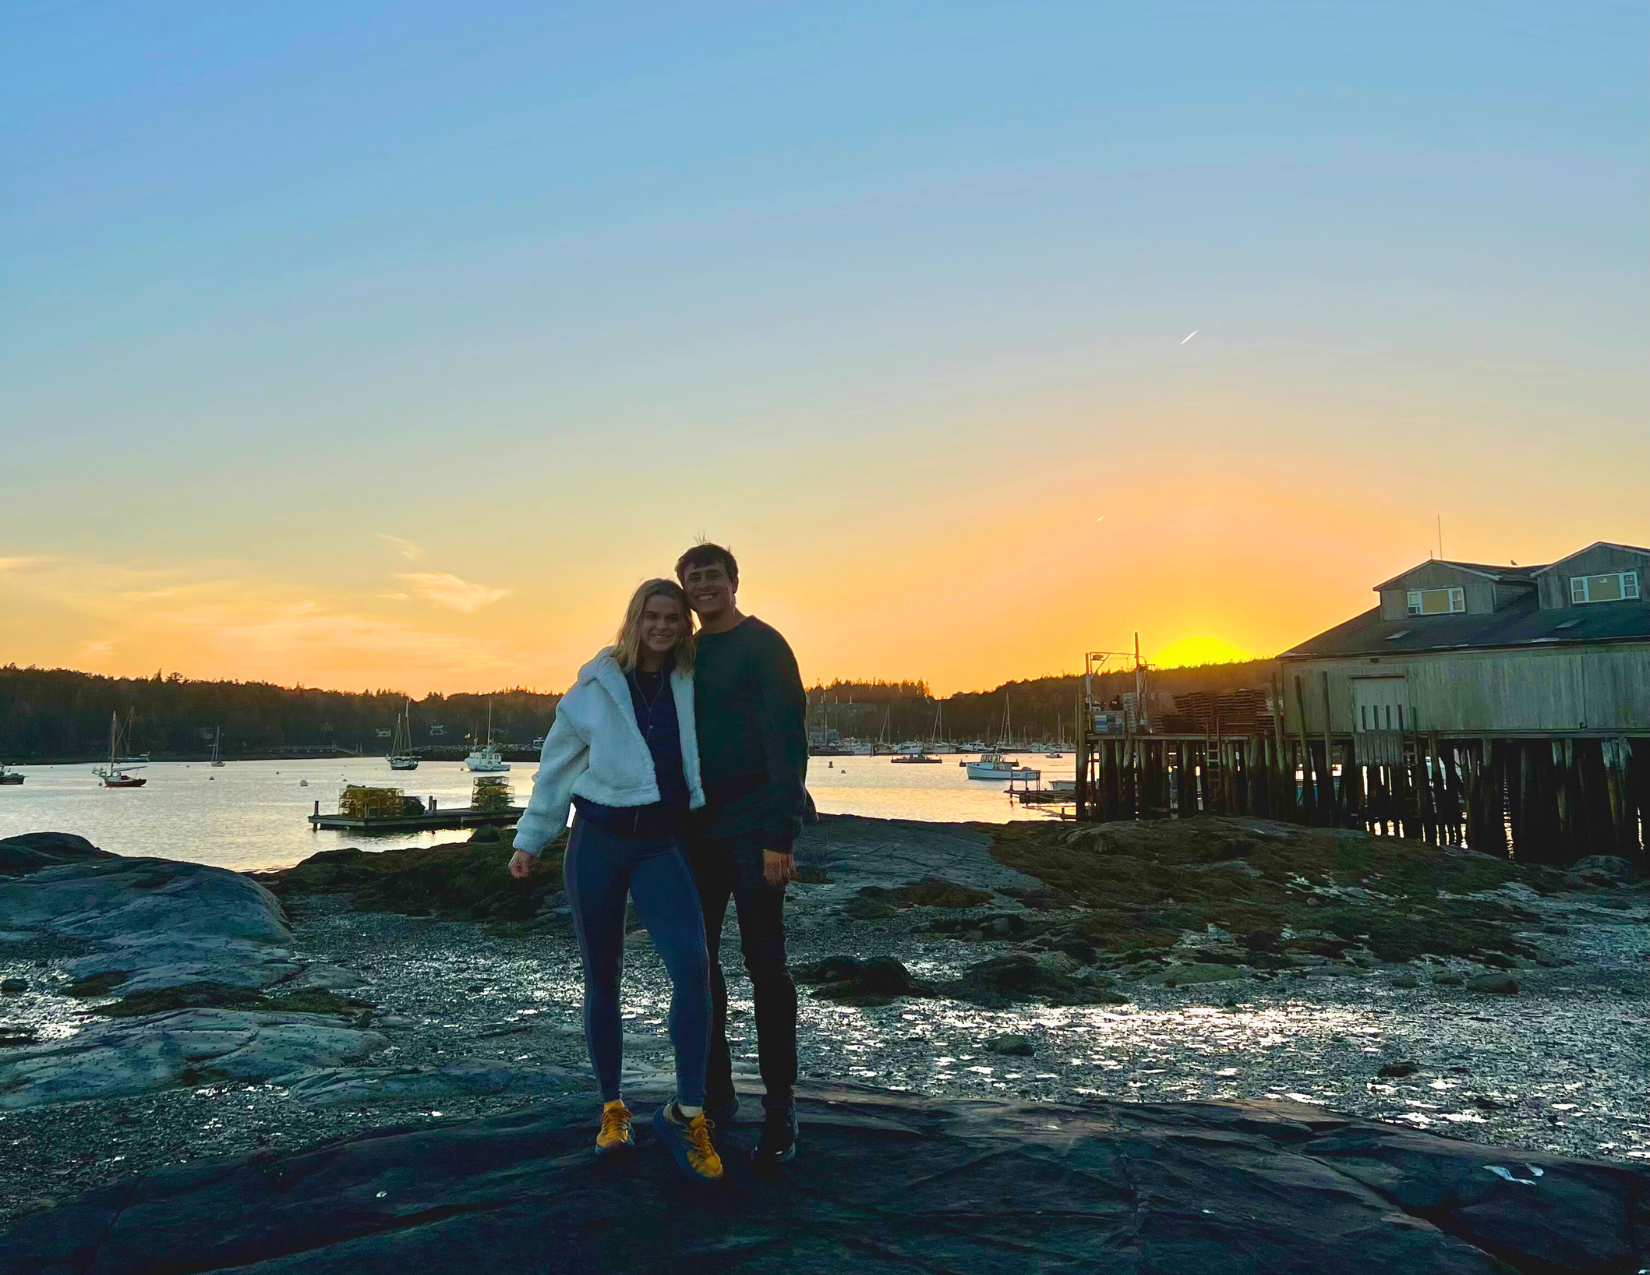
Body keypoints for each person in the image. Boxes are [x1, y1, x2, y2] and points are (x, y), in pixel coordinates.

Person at [508, 579, 722, 1184]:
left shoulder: (690, 681)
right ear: (635, 620)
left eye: (673, 618)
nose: (662, 627)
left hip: (662, 845)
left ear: (684, 626)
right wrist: (530, 840)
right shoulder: (595, 687)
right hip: (598, 843)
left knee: (692, 965)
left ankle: (688, 1111)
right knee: (602, 976)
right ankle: (612, 1108)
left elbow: (727, 745)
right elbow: (556, 766)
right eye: (652, 616)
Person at [675, 542, 809, 1167]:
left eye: (713, 576)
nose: (705, 586)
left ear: (734, 581)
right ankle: (717, 1093)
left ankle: (780, 1106)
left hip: (756, 832)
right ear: (685, 590)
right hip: (694, 835)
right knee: (699, 969)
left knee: (766, 966)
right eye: (694, 579)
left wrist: (780, 835)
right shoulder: (684, 652)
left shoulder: (764, 644)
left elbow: (789, 742)